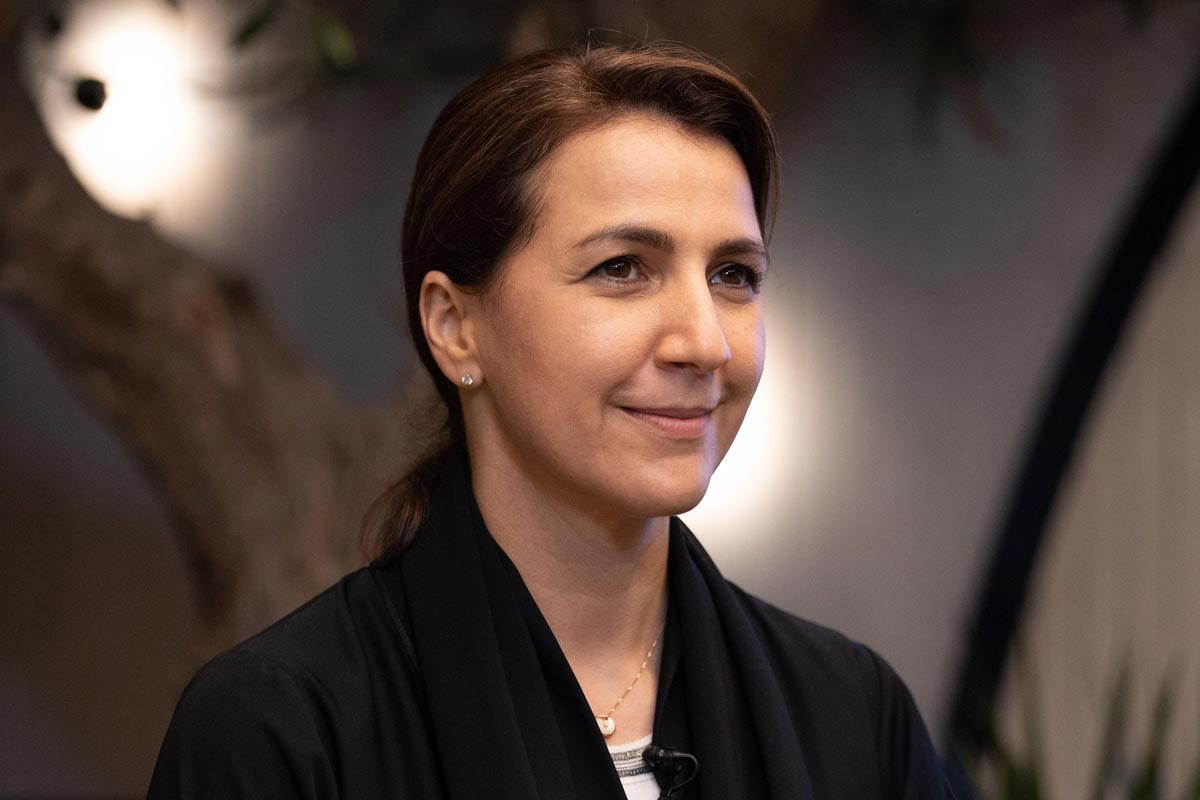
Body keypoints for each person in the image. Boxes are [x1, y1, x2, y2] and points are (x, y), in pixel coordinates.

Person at [147, 42, 956, 800]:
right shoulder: (282, 729)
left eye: (734, 275)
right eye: (622, 268)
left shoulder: (855, 718)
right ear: (455, 327)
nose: (706, 342)